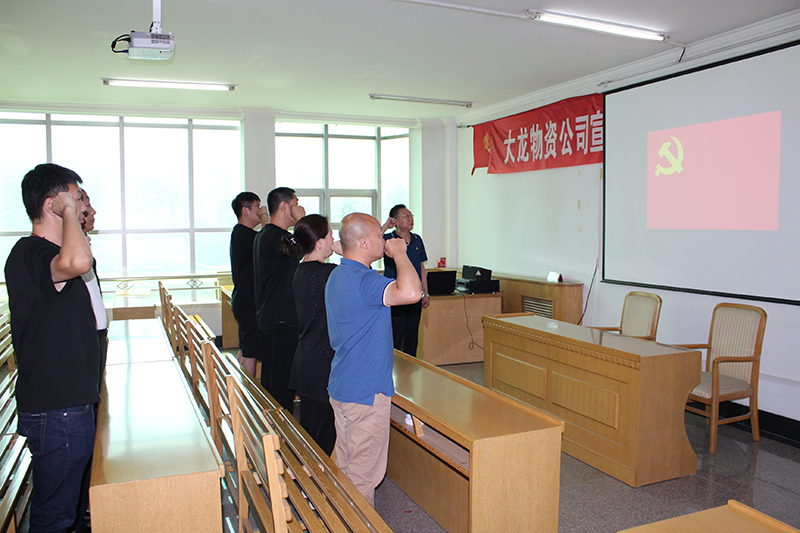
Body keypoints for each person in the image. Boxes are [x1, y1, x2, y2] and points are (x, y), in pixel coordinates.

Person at [4, 163, 100, 533]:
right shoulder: (30, 252)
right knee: (53, 518)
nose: (83, 207)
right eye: (75, 200)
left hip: (65, 407)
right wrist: (69, 211)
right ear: (52, 205)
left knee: (63, 513)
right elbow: (79, 261)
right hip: (57, 411)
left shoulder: (48, 254)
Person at [325, 212, 421, 506]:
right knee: (363, 476)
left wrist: (357, 244)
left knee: (346, 465)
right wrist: (400, 253)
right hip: (366, 393)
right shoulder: (366, 281)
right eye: (380, 235)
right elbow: (412, 292)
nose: (386, 239)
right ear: (365, 242)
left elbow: (346, 246)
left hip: (343, 386)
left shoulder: (338, 274)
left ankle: (338, 519)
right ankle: (357, 524)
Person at [286, 214, 339, 455]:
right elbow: (358, 276)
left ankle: (309, 476)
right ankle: (313, 479)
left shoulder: (302, 269)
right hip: (321, 365)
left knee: (312, 433)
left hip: (308, 359)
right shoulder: (326, 273)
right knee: (320, 439)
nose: (333, 241)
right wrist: (347, 252)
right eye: (330, 236)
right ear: (319, 242)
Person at [253, 187, 305, 411]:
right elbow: (307, 246)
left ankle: (274, 423)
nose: (299, 207)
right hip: (279, 319)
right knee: (280, 382)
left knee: (277, 377)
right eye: (295, 203)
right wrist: (303, 221)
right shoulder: (275, 237)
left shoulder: (272, 235)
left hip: (276, 317)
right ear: (284, 207)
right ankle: (278, 427)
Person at [381, 204, 430, 356]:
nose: (410, 219)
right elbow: (373, 241)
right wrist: (385, 226)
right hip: (395, 294)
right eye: (406, 216)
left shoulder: (417, 239)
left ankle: (411, 364)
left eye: (411, 216)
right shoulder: (388, 239)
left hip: (414, 294)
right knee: (395, 332)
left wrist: (426, 293)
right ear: (395, 220)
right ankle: (394, 363)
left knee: (412, 333)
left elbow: (421, 267)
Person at [229, 192, 269, 377]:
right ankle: (246, 393)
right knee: (250, 353)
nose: (260, 210)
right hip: (248, 302)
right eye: (257, 207)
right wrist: (265, 216)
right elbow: (269, 238)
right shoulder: (245, 235)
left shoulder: (242, 234)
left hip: (244, 301)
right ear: (245, 210)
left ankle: (237, 387)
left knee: (246, 348)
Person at [80, 188, 109, 380]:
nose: (93, 212)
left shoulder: (84, 249)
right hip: (87, 339)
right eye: (87, 205)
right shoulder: (70, 258)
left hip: (97, 335)